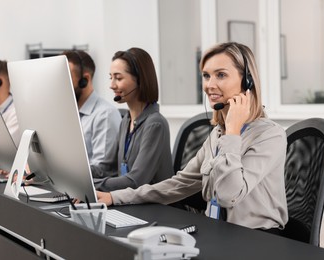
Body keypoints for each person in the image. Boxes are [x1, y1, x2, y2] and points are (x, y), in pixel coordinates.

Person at [97, 42, 288, 232]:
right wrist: (115, 197)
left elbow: (227, 195)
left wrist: (232, 133)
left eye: (221, 75)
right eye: (206, 76)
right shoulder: (217, 134)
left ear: (247, 81)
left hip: (256, 240)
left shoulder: (270, 135)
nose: (209, 85)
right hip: (218, 232)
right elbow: (180, 183)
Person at [91, 47, 174, 191]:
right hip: (128, 201)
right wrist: (78, 175)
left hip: (154, 208)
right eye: (111, 78)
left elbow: (136, 181)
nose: (112, 85)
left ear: (140, 80)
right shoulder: (126, 120)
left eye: (118, 78)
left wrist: (91, 185)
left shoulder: (155, 124)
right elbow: (108, 168)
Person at [62, 50, 121, 169]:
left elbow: (101, 169)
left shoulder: (105, 115)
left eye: (66, 78)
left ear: (85, 80)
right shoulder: (66, 114)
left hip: (92, 186)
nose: (61, 84)